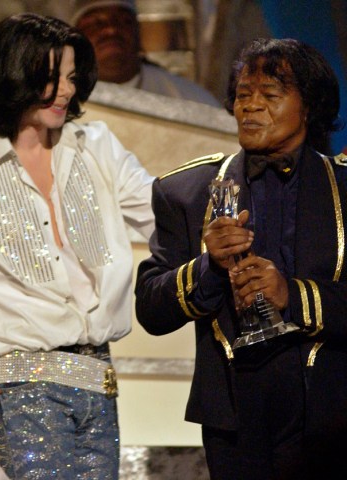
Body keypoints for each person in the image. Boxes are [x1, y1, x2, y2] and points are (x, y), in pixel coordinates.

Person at [135, 37, 347, 480]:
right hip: (233, 415)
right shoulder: (186, 191)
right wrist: (207, 266)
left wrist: (293, 294)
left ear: (309, 106)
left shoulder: (343, 190)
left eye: (270, 95)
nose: (251, 107)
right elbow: (151, 309)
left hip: (332, 412)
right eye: (243, 96)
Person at [0, 12, 154, 480]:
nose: (67, 90)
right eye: (52, 77)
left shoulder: (96, 146)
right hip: (20, 388)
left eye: (71, 77)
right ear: (13, 73)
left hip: (99, 383)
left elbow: (166, 215)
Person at [71, 0, 221, 107]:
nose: (111, 30)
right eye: (96, 23)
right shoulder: (59, 101)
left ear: (138, 34)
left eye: (124, 21)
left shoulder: (191, 100)